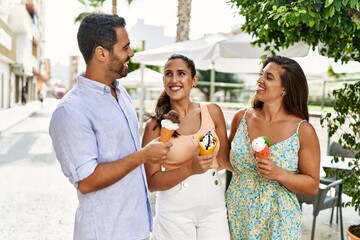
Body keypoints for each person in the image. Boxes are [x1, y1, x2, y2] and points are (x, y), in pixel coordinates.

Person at [49, 13, 172, 240]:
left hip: (139, 229)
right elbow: (86, 181)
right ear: (101, 53)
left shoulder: (120, 92)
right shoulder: (70, 110)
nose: (131, 53)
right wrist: (143, 156)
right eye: (125, 47)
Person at [226, 55, 320, 240]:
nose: (259, 80)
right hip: (238, 214)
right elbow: (225, 160)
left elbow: (312, 186)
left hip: (280, 221)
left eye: (268, 77)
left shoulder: (303, 130)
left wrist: (279, 173)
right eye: (261, 74)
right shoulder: (241, 118)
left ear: (285, 89)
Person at [142, 54, 234, 240]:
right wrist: (190, 168)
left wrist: (253, 169)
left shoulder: (213, 112)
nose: (174, 79)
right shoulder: (154, 126)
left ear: (194, 80)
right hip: (175, 210)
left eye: (181, 73)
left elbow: (224, 159)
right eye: (168, 74)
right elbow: (152, 183)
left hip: (213, 207)